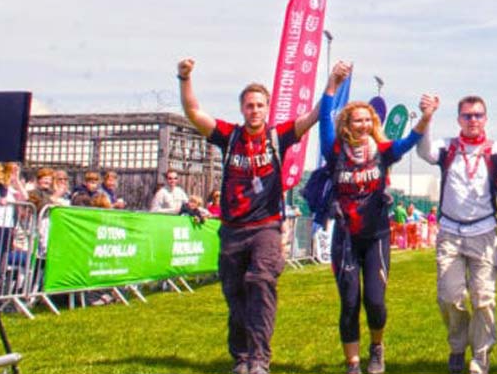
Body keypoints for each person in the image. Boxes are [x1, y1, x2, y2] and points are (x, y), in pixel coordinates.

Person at [177, 57, 335, 374]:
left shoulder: (278, 137)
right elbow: (194, 113)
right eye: (249, 105)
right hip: (233, 230)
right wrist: (184, 78)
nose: (255, 110)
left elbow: (314, 116)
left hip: (265, 227)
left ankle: (260, 358)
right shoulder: (229, 136)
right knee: (235, 295)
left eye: (260, 105)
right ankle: (242, 356)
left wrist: (332, 83)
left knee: (261, 282)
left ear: (267, 108)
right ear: (242, 109)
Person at [316, 61, 431, 374]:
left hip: (377, 236)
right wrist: (332, 85)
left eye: (368, 120)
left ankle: (376, 348)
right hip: (345, 237)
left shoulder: (383, 151)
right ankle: (353, 363)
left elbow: (409, 141)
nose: (363, 125)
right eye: (357, 120)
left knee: (375, 302)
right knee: (350, 302)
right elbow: (324, 120)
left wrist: (427, 117)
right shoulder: (334, 149)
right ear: (347, 124)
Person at [416, 94, 497, 374]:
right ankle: (458, 346)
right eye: (467, 115)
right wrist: (427, 116)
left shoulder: (496, 149)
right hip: (450, 232)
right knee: (449, 296)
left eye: (478, 115)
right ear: (459, 118)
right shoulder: (447, 146)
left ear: (486, 119)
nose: (473, 120)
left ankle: (480, 356)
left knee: (484, 297)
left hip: (483, 232)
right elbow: (424, 153)